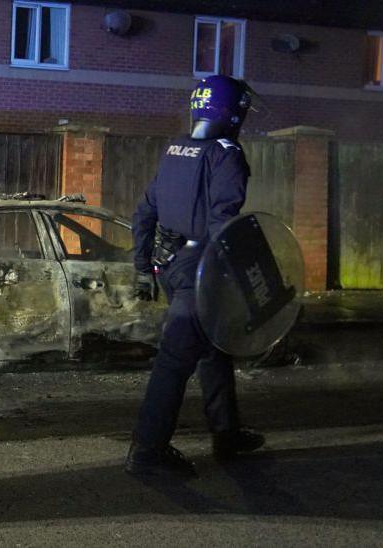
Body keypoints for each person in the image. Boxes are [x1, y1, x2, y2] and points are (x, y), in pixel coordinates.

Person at [125, 75, 265, 478]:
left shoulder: (175, 150)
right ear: (231, 111)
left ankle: (226, 433)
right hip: (200, 269)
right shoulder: (226, 153)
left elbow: (144, 211)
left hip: (168, 265)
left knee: (213, 347)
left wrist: (142, 266)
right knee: (175, 359)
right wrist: (241, 279)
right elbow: (224, 224)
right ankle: (148, 450)